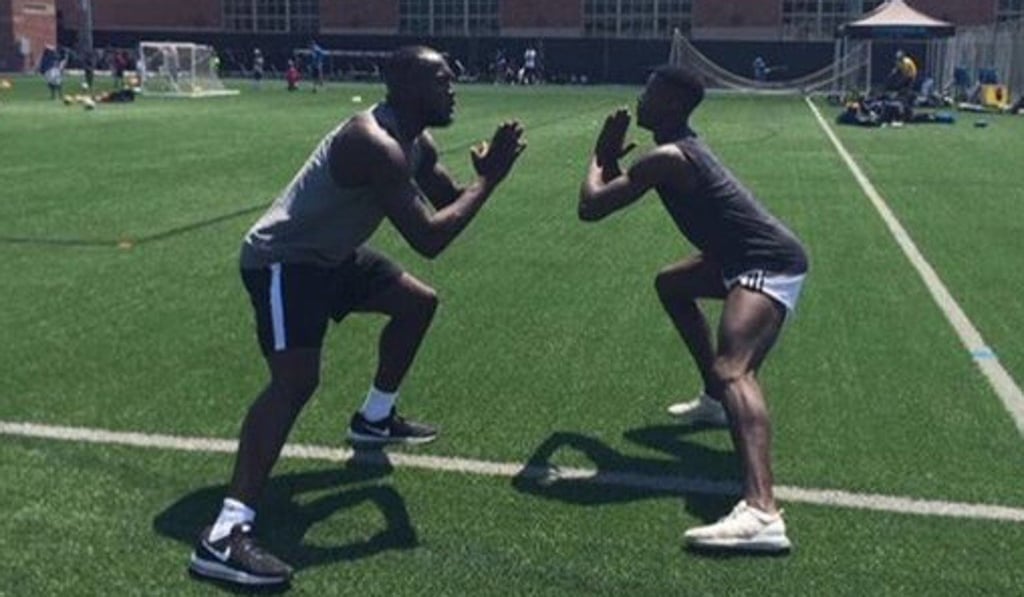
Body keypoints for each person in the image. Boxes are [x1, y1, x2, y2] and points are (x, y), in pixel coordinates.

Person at [187, 45, 526, 587]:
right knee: (295, 382)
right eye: (441, 80)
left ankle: (373, 418)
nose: (453, 88)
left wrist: (480, 178)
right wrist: (491, 183)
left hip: (331, 258)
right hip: (285, 260)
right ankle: (224, 534)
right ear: (407, 88)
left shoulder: (417, 143)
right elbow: (430, 238)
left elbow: (448, 204)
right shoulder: (374, 144)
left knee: (417, 303)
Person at [577, 65, 807, 552]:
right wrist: (611, 160)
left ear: (674, 106)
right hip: (734, 259)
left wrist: (601, 151)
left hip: (766, 263)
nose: (641, 100)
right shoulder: (676, 149)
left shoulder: (667, 157)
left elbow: (592, 206)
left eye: (650, 93)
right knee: (672, 285)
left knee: (735, 369)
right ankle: (714, 401)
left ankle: (763, 512)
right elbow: (615, 191)